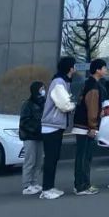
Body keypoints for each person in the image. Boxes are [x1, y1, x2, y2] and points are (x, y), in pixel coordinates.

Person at [39, 56, 76, 199]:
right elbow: (65, 104)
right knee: (51, 158)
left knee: (53, 158)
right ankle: (46, 189)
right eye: (74, 66)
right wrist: (73, 105)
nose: (75, 68)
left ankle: (50, 187)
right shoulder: (59, 82)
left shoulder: (62, 82)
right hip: (51, 126)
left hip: (55, 126)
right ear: (70, 68)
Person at [72, 58, 106, 196]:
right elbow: (92, 108)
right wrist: (93, 126)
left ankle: (82, 184)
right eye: (104, 68)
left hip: (82, 125)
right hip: (85, 126)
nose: (105, 70)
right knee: (84, 158)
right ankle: (82, 186)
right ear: (98, 70)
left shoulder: (88, 83)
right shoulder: (93, 86)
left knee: (83, 157)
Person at [18, 81, 45, 196]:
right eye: (41, 89)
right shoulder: (28, 104)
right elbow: (24, 121)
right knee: (30, 160)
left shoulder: (43, 102)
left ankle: (34, 182)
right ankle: (27, 185)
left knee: (39, 161)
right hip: (29, 136)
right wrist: (37, 128)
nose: (43, 91)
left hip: (40, 136)